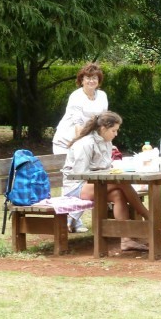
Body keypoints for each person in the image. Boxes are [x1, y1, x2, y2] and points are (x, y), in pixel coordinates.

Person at [61, 111, 161, 252]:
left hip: (96, 184)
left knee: (118, 194)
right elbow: (79, 174)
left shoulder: (107, 143)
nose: (116, 134)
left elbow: (106, 167)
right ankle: (149, 216)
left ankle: (126, 240)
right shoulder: (85, 144)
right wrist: (106, 176)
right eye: (114, 130)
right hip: (76, 186)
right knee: (120, 183)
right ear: (103, 128)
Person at [52, 63, 109, 232]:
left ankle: (74, 219)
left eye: (95, 78)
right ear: (81, 80)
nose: (91, 81)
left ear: (99, 81)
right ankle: (68, 220)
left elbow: (102, 123)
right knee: (73, 180)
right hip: (67, 142)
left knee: (89, 179)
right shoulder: (76, 97)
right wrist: (85, 146)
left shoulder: (102, 96)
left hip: (87, 142)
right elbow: (78, 127)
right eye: (88, 78)